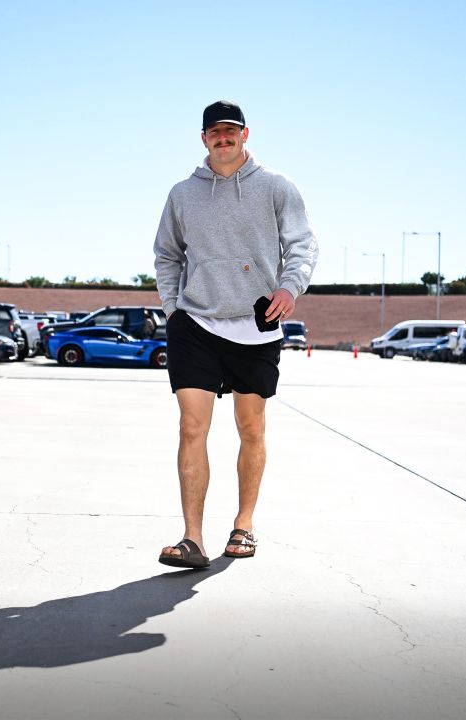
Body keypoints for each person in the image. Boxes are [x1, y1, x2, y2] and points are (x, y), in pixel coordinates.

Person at [152, 100, 319, 568]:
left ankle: (243, 525)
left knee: (250, 427)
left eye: (231, 131)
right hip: (196, 322)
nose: (222, 139)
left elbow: (303, 243)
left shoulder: (275, 187)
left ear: (246, 135)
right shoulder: (183, 194)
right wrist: (172, 310)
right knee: (191, 426)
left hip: (257, 323)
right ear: (203, 139)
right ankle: (192, 539)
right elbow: (167, 255)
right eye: (214, 133)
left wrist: (290, 287)